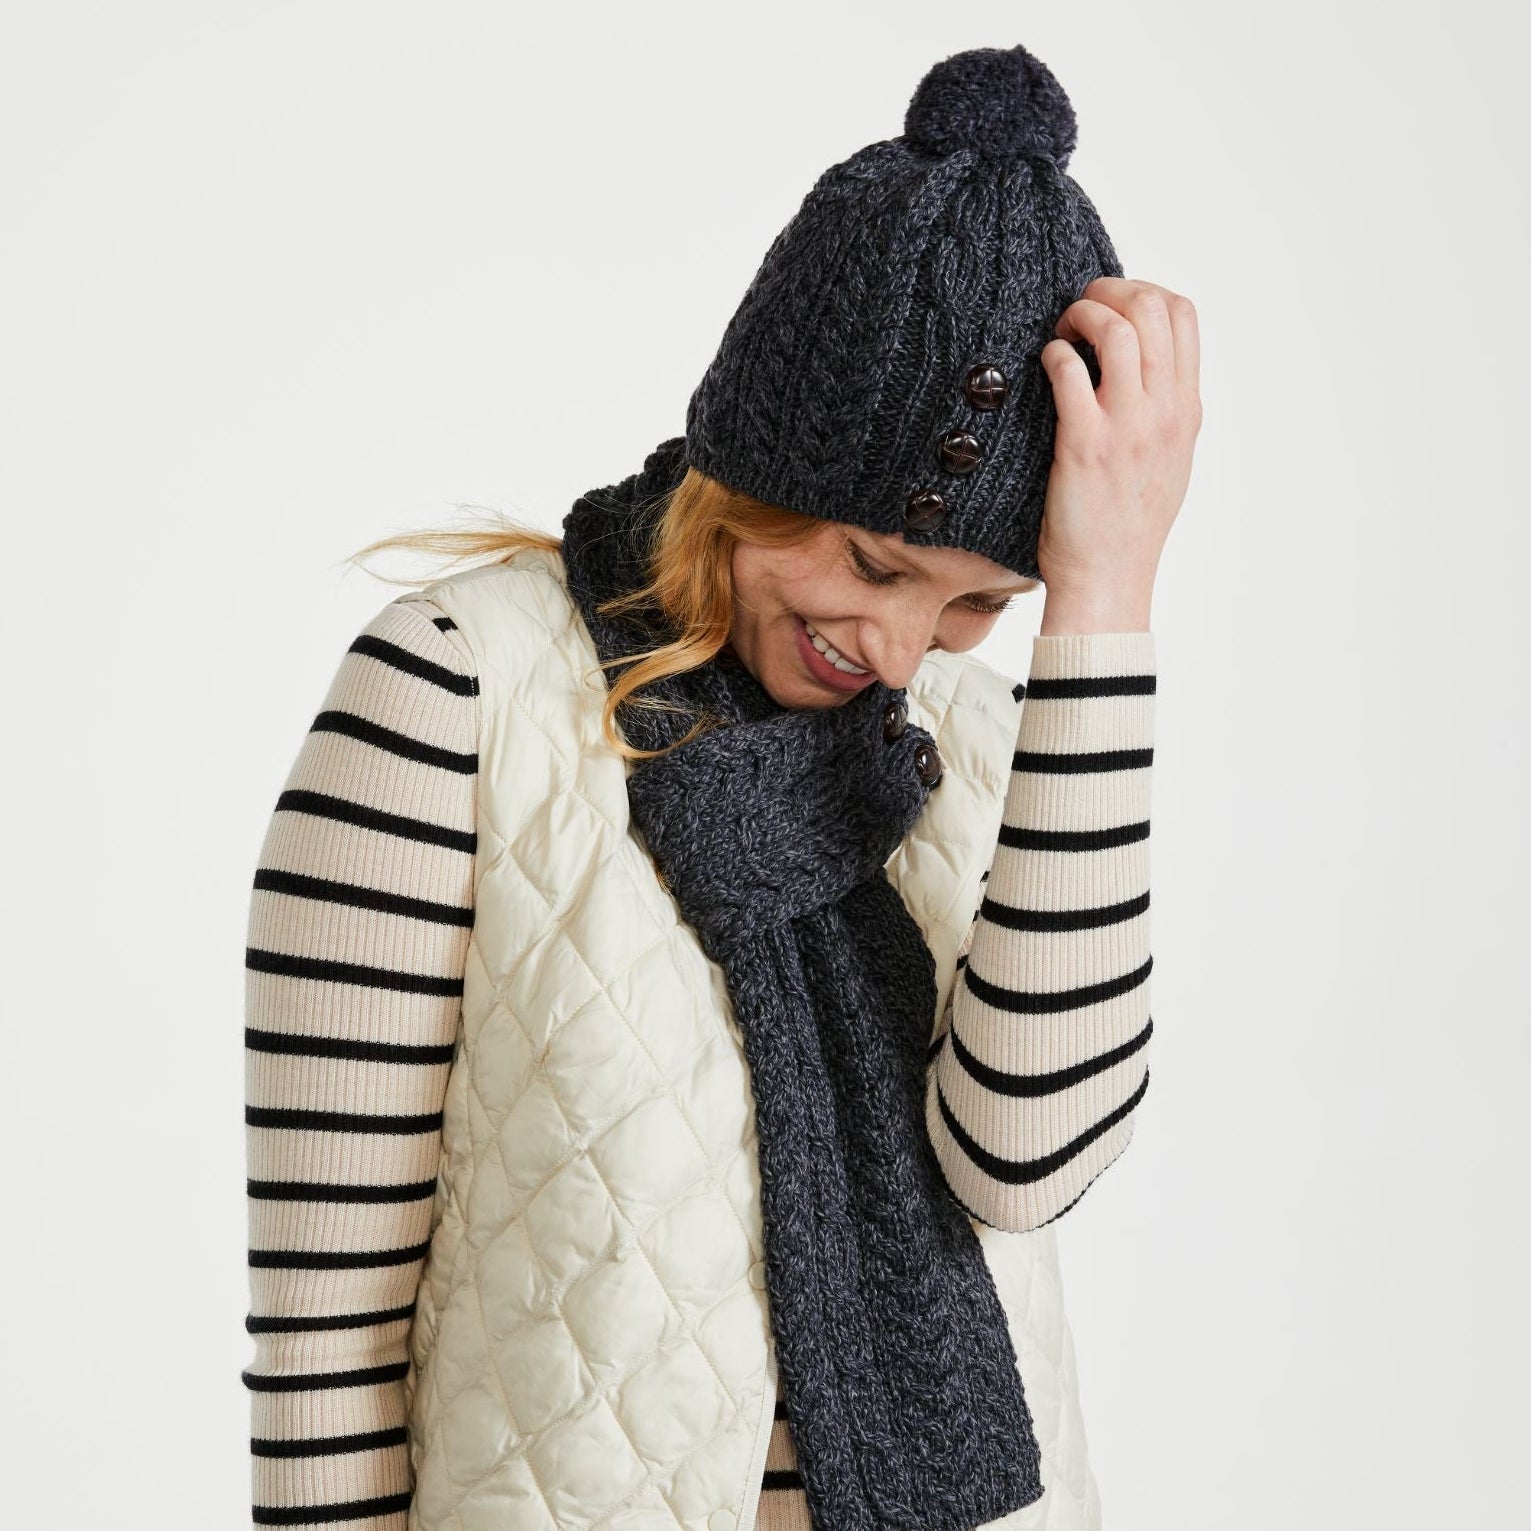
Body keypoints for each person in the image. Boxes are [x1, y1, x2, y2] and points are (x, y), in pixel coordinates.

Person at [241, 42, 1199, 1531]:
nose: (897, 651)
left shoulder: (991, 741)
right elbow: (324, 1331)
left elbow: (1023, 1161)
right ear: (754, 469)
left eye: (976, 604)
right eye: (873, 562)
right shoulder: (456, 697)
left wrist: (1107, 599)